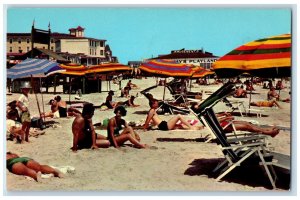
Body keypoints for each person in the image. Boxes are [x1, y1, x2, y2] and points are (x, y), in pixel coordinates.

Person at [190, 103, 280, 137]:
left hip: (224, 124)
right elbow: (214, 122)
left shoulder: (204, 112)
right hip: (223, 127)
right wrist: (226, 118)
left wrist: (223, 115)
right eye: (198, 106)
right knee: (247, 126)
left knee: (246, 123)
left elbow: (215, 117)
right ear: (197, 109)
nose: (200, 105)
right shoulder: (202, 115)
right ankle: (269, 133)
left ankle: (267, 130)